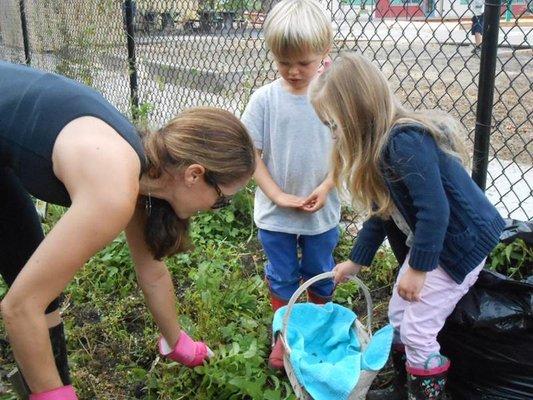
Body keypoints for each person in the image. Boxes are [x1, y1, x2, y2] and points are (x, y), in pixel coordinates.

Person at [0, 61, 256, 399]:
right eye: (221, 199)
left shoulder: (142, 172)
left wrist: (177, 342)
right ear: (194, 174)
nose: (214, 208)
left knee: (29, 273)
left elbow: (152, 273)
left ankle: (50, 381)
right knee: (29, 301)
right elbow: (20, 308)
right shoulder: (114, 190)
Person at [309, 53, 505, 400]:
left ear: (357, 115)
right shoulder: (377, 153)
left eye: (334, 125)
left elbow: (436, 213)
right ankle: (405, 386)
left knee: (417, 332)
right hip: (434, 246)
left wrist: (417, 268)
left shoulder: (403, 143)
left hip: (458, 246)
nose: (333, 135)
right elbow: (379, 214)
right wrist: (356, 261)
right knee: (399, 314)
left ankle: (426, 394)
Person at [241, 0, 341, 370]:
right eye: (284, 62)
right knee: (282, 275)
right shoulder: (265, 100)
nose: (294, 71)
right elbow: (251, 154)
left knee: (320, 269)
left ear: (324, 54)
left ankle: (316, 327)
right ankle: (284, 336)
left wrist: (329, 184)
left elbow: (348, 152)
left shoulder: (333, 99)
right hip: (275, 214)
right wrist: (277, 194)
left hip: (321, 211)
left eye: (304, 62)